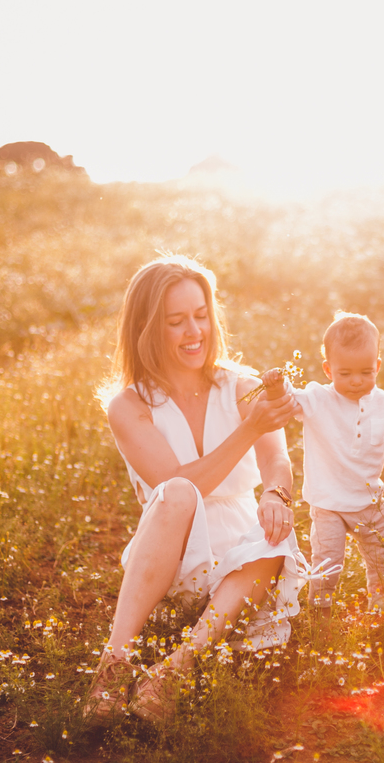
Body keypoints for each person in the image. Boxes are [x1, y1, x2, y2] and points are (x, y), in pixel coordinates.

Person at [83, 255, 305, 725]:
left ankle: (173, 671)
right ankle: (112, 667)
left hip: (244, 564)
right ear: (146, 328)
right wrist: (248, 430)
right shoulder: (129, 405)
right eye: (176, 321)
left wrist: (275, 495)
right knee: (179, 492)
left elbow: (277, 462)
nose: (194, 332)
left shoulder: (242, 386)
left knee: (275, 536)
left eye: (201, 315)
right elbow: (181, 483)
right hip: (172, 553)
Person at [280, 312, 384, 617]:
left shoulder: (383, 402)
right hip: (328, 503)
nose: (356, 381)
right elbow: (289, 400)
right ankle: (321, 616)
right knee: (327, 564)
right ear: (328, 369)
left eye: (366, 372)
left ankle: (382, 613)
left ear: (377, 366)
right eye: (345, 374)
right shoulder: (318, 399)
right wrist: (276, 385)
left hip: (370, 501)